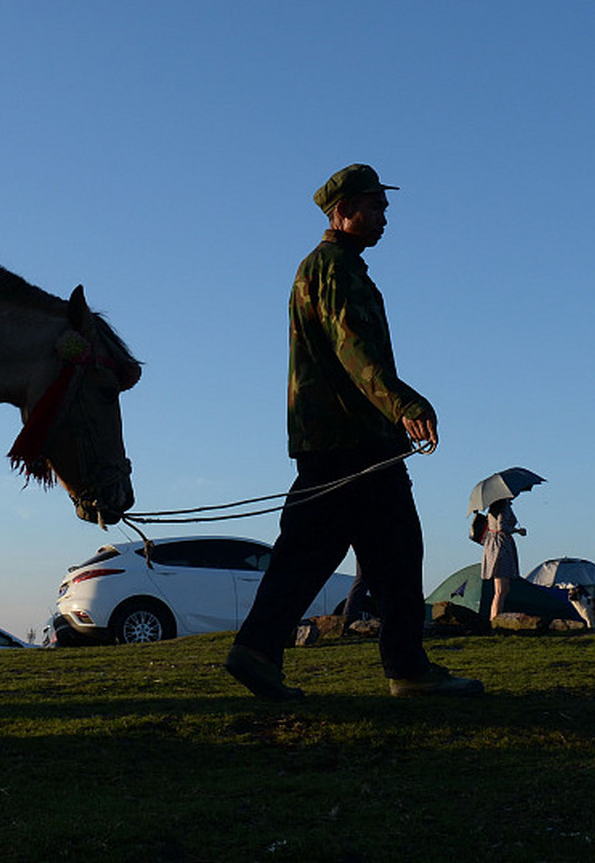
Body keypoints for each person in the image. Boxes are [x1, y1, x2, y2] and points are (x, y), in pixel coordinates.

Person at [224, 164, 483, 701]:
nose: (384, 217)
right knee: (381, 554)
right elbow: (352, 350)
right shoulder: (335, 270)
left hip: (339, 439)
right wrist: (403, 403)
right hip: (353, 441)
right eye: (375, 206)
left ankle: (261, 652)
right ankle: (405, 670)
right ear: (343, 212)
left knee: (351, 554)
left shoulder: (329, 268)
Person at [478, 498, 525, 623]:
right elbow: (501, 526)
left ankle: (495, 618)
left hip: (493, 545)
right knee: (501, 589)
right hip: (501, 546)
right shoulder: (503, 506)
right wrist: (517, 530)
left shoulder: (494, 506)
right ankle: (494, 620)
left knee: (502, 588)